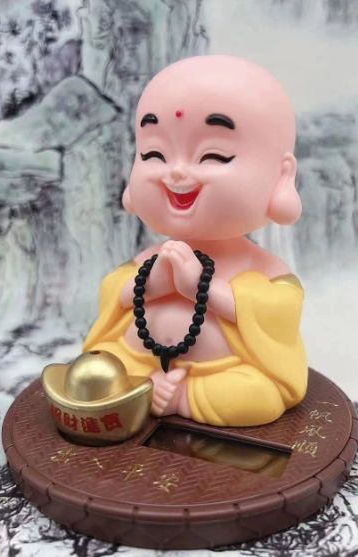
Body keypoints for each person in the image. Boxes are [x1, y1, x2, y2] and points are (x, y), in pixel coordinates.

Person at [84, 55, 307, 427]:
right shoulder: (149, 259)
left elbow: (280, 311)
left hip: (221, 375)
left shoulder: (262, 268)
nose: (176, 172)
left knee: (256, 396)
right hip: (136, 359)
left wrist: (202, 288)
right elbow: (112, 294)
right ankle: (143, 384)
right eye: (154, 154)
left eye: (213, 156)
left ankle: (182, 397)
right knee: (98, 367)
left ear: (280, 176)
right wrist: (148, 284)